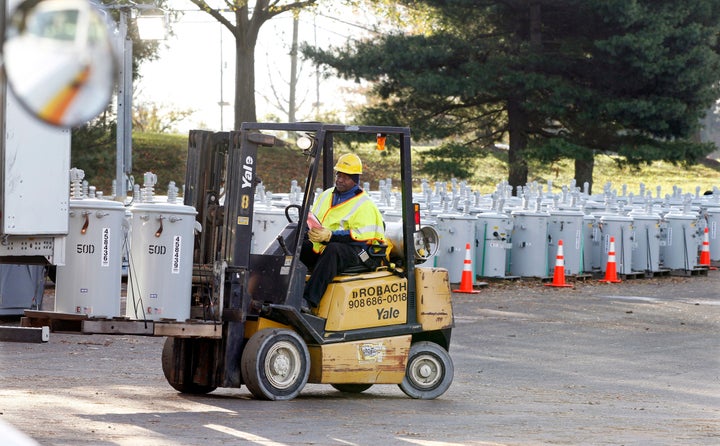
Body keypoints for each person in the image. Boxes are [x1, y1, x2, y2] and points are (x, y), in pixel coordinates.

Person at [300, 153, 387, 312]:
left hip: (363, 253)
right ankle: (279, 289)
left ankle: (308, 300)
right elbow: (316, 219)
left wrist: (330, 236)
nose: (339, 179)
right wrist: (308, 231)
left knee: (334, 250)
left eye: (345, 177)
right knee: (295, 243)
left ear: (355, 180)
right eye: (338, 174)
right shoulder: (326, 195)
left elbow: (360, 237)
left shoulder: (365, 204)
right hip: (325, 244)